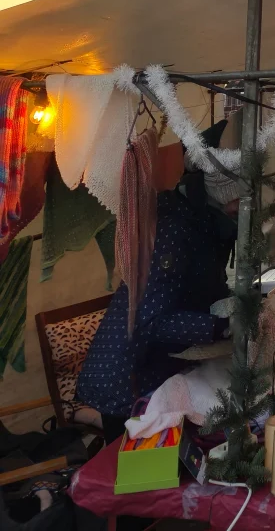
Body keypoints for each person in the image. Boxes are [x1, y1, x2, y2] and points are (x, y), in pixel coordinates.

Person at [77, 156, 237, 442]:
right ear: (225, 196)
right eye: (244, 200)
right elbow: (152, 320)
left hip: (153, 369)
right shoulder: (174, 230)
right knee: (136, 470)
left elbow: (203, 281)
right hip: (127, 378)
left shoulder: (204, 224)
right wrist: (220, 326)